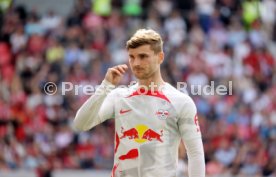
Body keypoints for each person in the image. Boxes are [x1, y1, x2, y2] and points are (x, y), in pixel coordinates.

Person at [73, 29, 205, 177]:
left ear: (160, 57)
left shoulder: (180, 101)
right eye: (132, 57)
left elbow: (195, 154)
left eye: (143, 56)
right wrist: (105, 86)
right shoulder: (119, 96)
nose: (136, 63)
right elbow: (80, 124)